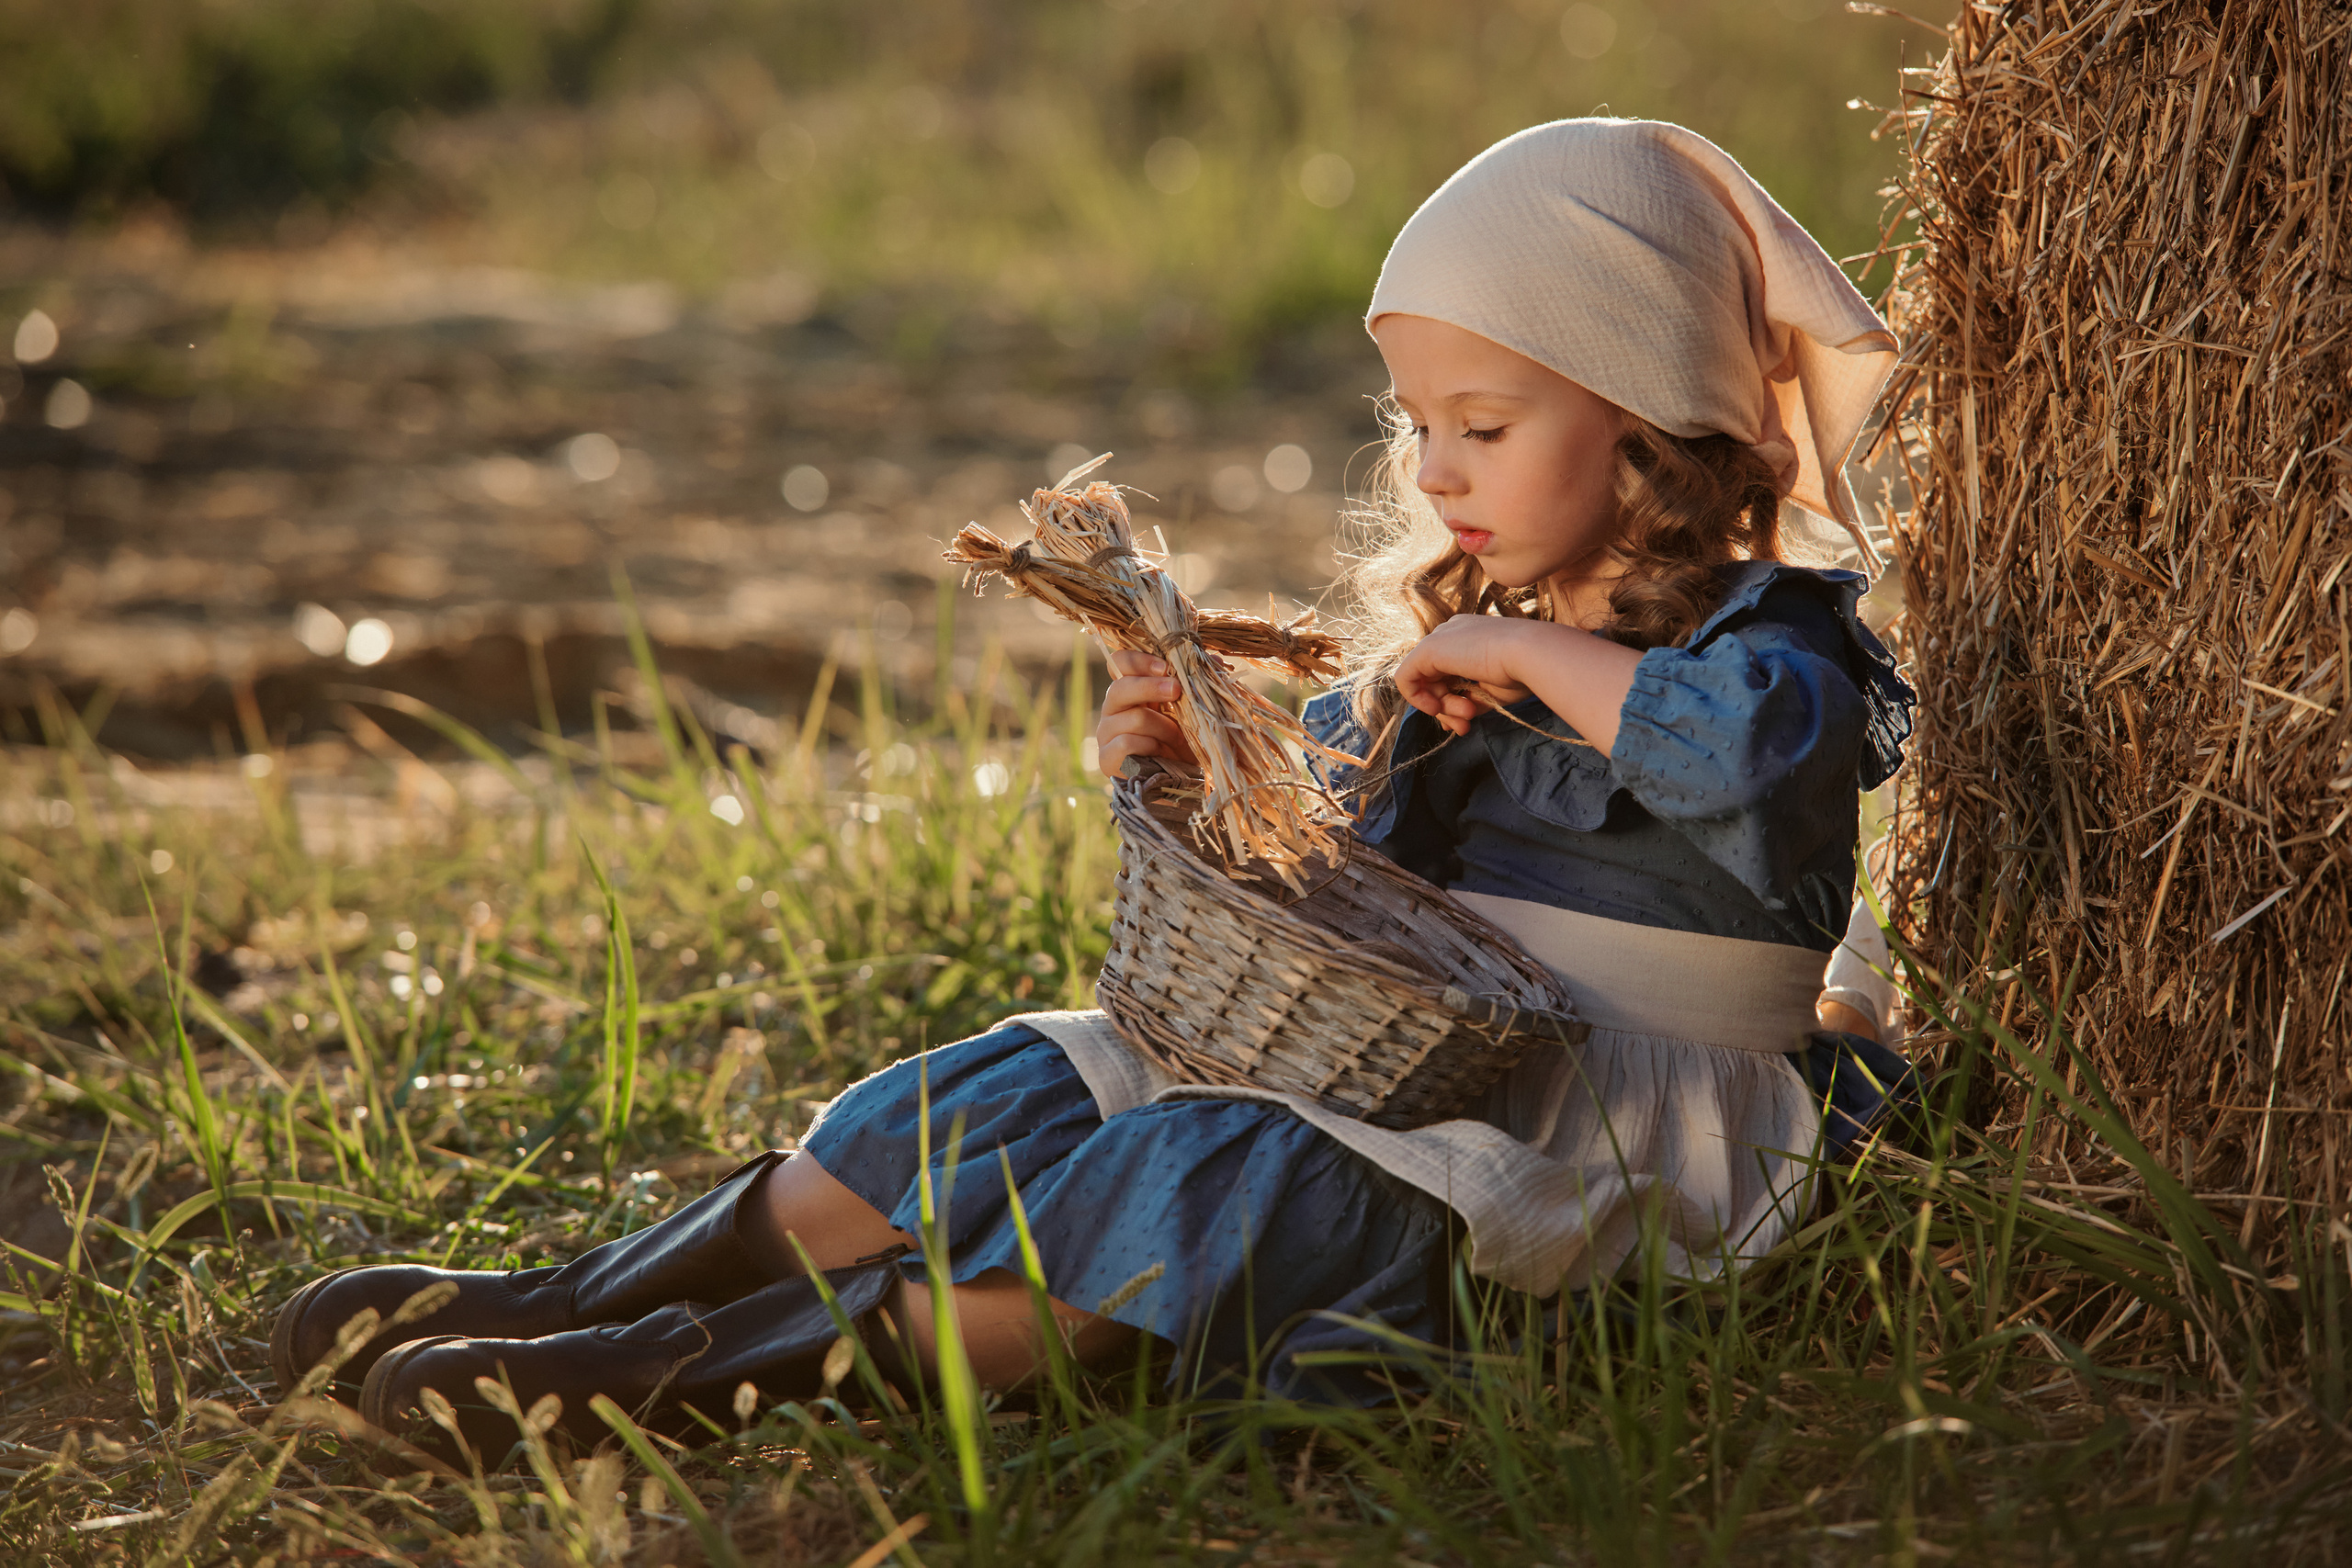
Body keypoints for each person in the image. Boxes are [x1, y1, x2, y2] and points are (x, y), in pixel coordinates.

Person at [269, 118, 1915, 1465]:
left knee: (1209, 1172)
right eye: (1415, 425)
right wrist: (1197, 772)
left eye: (1481, 422)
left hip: (1618, 1122)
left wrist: (1532, 658)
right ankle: (583, 1301)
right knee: (1006, 1090)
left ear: (1648, 423)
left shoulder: (1771, 648)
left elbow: (1756, 768)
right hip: (1414, 1064)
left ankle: (707, 1377)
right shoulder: (1471, 649)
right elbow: (1330, 874)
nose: (1433, 472)